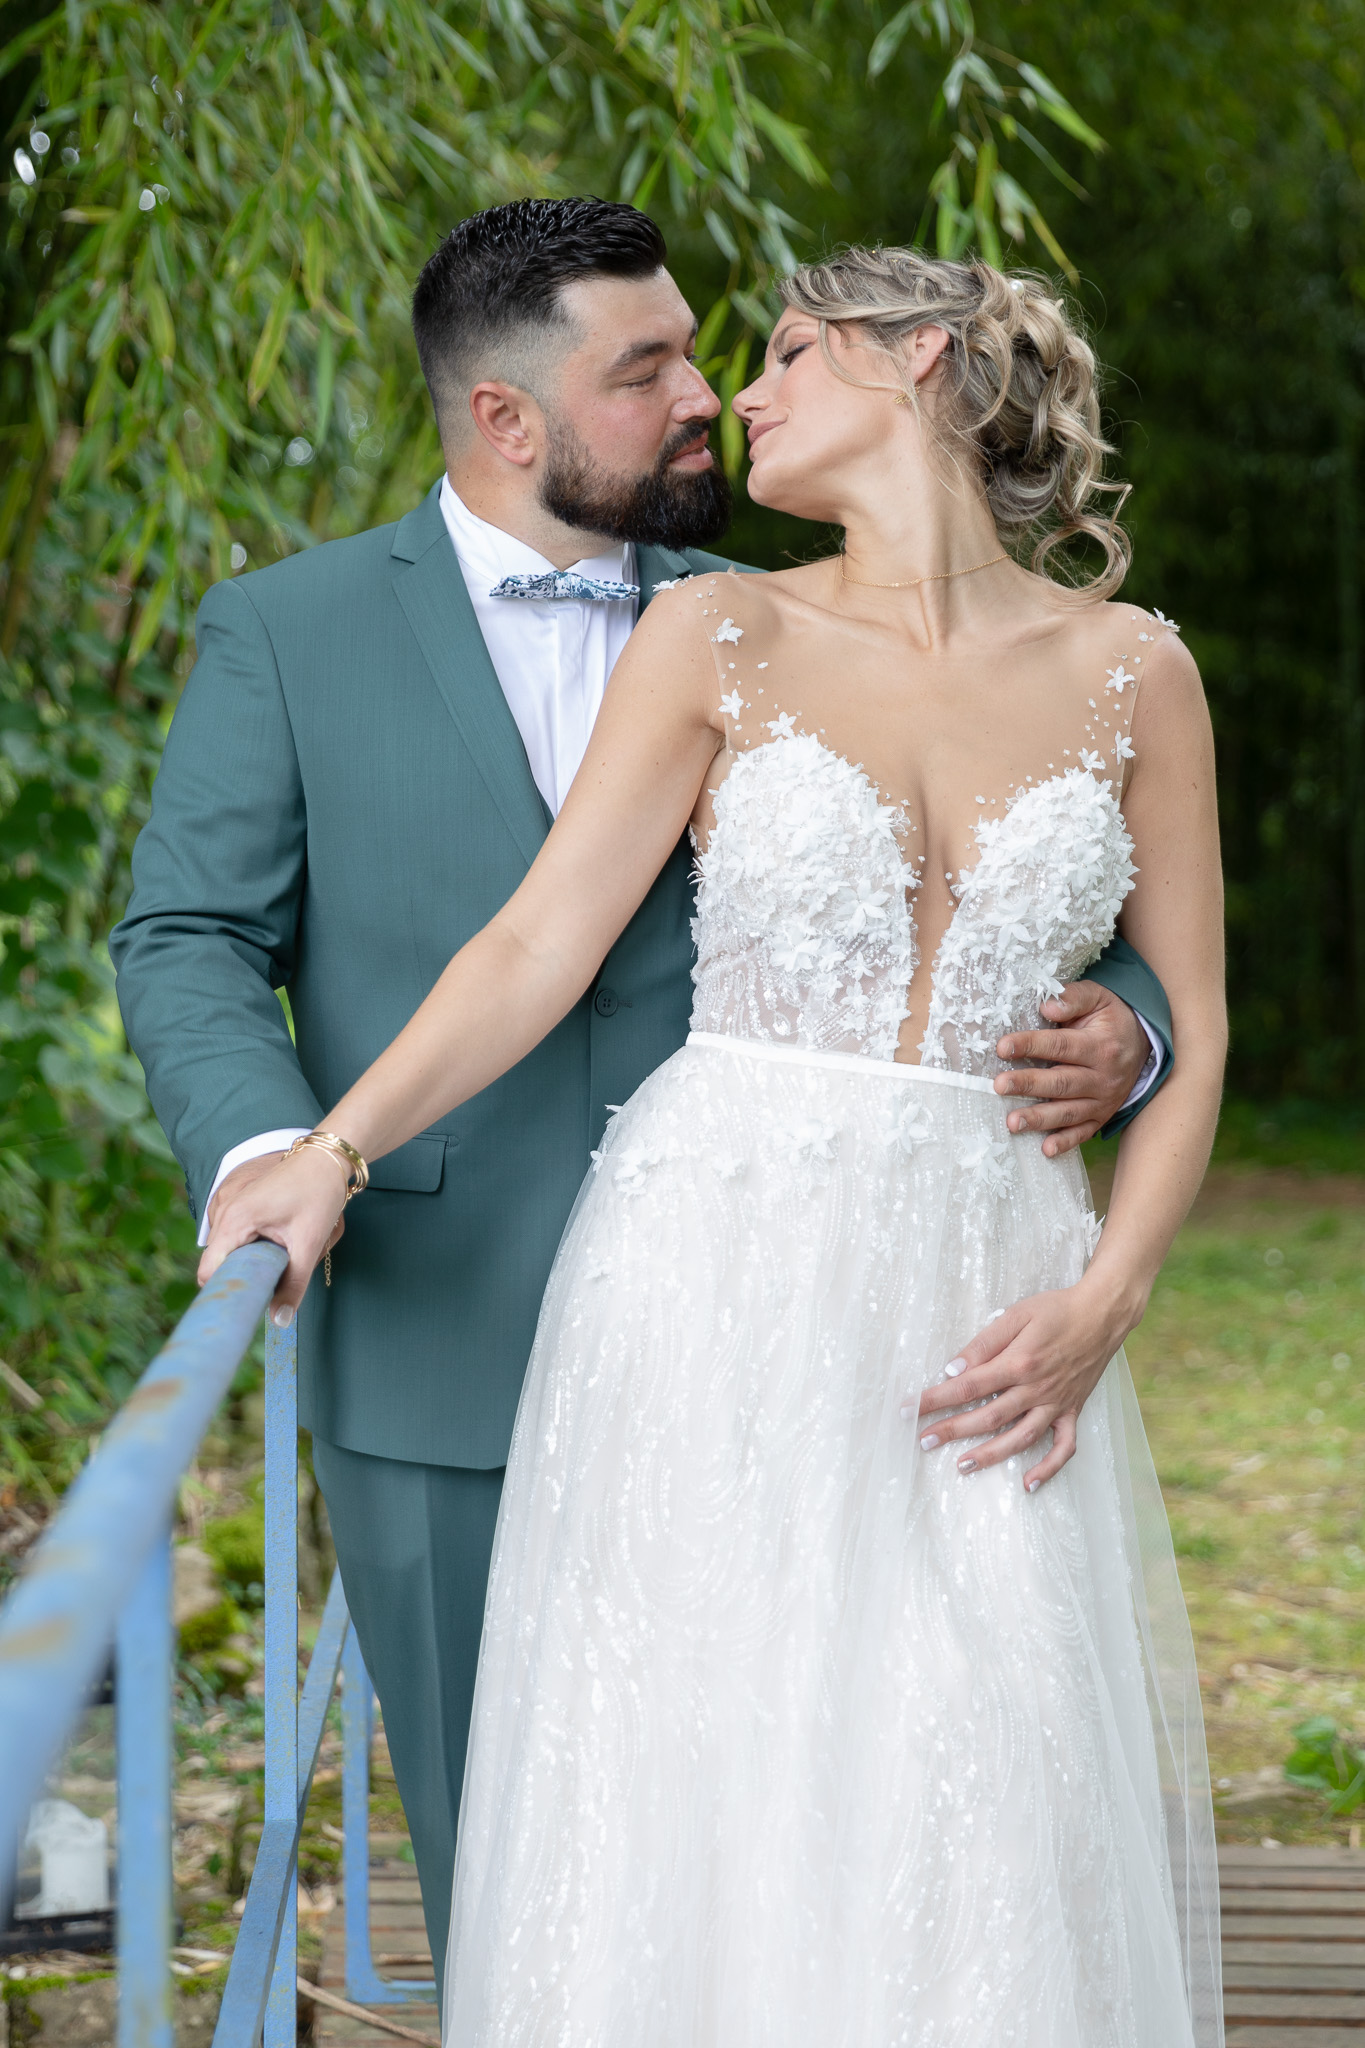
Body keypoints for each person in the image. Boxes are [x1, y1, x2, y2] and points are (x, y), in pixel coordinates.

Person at [114, 205, 1175, 1996]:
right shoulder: (286, 632)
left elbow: (1061, 908)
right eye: (651, 370)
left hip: (856, 1322)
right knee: (542, 1869)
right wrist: (284, 1154)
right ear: (508, 421)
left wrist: (1123, 1036)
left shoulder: (768, 612)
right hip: (443, 1319)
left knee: (906, 1793)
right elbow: (204, 936)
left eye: (719, 351)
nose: (703, 397)